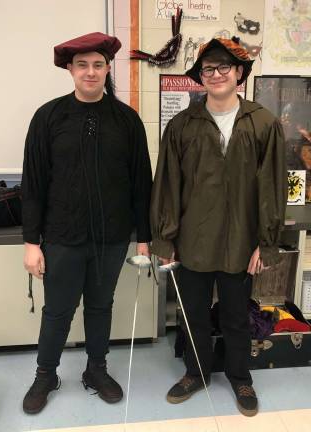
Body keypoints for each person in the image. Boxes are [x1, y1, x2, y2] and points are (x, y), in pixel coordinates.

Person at [150, 37, 287, 417]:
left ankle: (240, 375)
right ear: (200, 77)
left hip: (242, 241)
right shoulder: (182, 125)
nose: (216, 74)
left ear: (239, 73)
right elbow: (167, 184)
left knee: (235, 314)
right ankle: (197, 372)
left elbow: (272, 187)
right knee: (191, 311)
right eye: (208, 69)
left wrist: (267, 242)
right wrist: (166, 237)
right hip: (193, 239)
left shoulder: (263, 123)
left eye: (224, 67)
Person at [21, 32, 152, 414]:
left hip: (111, 236)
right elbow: (33, 183)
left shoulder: (126, 120)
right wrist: (32, 242)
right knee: (58, 309)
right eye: (82, 65)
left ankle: (97, 369)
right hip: (62, 235)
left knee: (100, 306)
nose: (90, 72)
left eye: (98, 65)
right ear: (70, 69)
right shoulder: (49, 117)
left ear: (108, 68)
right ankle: (46, 374)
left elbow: (141, 182)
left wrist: (143, 238)